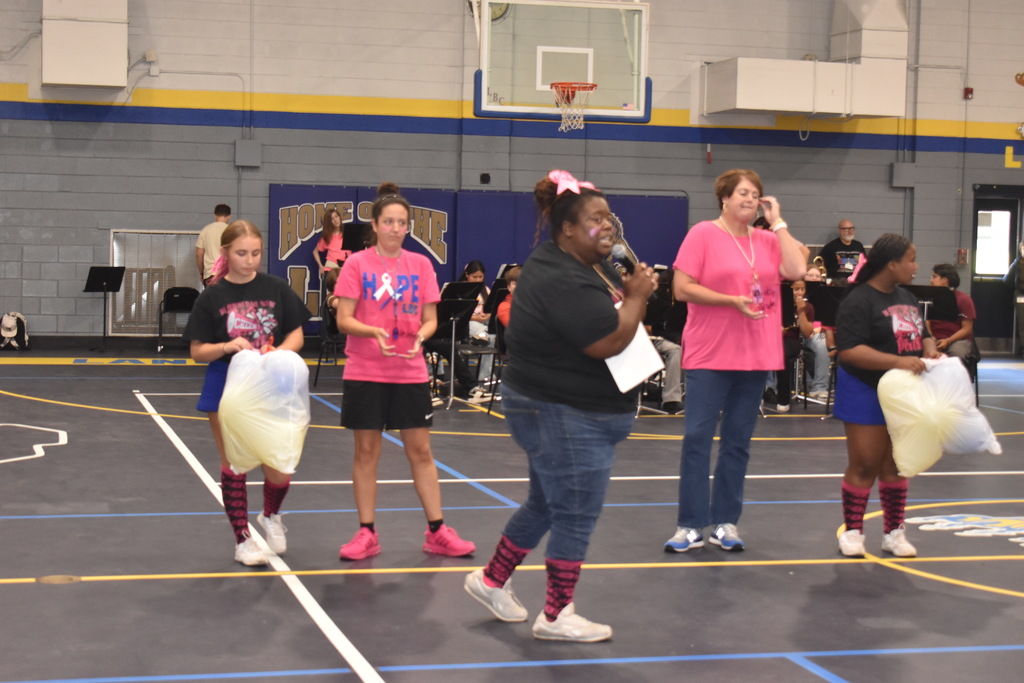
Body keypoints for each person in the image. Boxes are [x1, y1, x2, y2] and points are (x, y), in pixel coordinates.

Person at [464, 169, 658, 643]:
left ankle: (490, 580)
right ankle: (556, 614)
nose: (607, 226)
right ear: (567, 228)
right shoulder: (561, 277)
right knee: (574, 511)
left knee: (547, 502)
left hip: (558, 407)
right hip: (564, 413)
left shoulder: (586, 264)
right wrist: (636, 298)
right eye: (596, 219)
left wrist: (630, 293)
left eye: (609, 217)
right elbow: (608, 341)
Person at [665, 169, 807, 553]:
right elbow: (681, 288)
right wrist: (731, 301)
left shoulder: (768, 238)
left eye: (756, 193)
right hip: (711, 352)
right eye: (742, 192)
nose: (749, 198)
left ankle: (725, 522)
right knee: (697, 438)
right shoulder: (703, 234)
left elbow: (796, 270)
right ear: (724, 198)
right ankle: (690, 524)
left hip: (756, 353)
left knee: (737, 442)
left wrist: (778, 222)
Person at [334, 182, 475, 561]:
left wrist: (421, 339)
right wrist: (373, 332)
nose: (396, 228)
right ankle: (366, 533)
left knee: (421, 450)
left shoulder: (421, 265)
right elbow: (344, 319)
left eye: (402, 222)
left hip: (409, 371)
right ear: (376, 225)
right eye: (389, 222)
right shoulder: (356, 264)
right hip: (365, 370)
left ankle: (437, 531)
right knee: (366, 451)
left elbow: (430, 320)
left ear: (407, 227)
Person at [184, 220, 311, 566]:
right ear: (225, 253)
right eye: (242, 253)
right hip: (228, 386)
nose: (250, 260)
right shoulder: (212, 296)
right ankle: (242, 539)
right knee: (234, 463)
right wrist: (227, 346)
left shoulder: (276, 288)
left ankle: (270, 515)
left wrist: (279, 353)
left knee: (279, 464)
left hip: (272, 386)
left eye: (256, 253)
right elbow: (197, 351)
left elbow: (297, 336)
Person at [833, 233, 941, 558]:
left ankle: (894, 532)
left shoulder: (906, 296)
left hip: (903, 394)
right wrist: (898, 362)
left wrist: (931, 350)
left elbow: (922, 335)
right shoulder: (858, 300)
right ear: (892, 264)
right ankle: (852, 532)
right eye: (911, 259)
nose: (916, 266)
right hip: (865, 388)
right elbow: (849, 352)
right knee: (865, 463)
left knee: (897, 465)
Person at [927, 263, 979, 367]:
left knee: (956, 355)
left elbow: (967, 329)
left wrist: (948, 340)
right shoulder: (929, 299)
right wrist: (930, 338)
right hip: (934, 339)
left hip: (957, 340)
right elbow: (927, 321)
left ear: (944, 280)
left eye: (934, 277)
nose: (931, 280)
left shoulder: (964, 300)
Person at [195, 204, 232, 285]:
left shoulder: (206, 230)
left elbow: (199, 254)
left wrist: (202, 272)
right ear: (229, 216)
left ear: (215, 216)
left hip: (210, 274)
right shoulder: (232, 231)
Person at [313, 208, 351, 274]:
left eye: (336, 216)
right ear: (329, 222)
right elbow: (315, 252)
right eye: (332, 219)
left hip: (345, 269)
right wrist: (321, 266)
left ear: (339, 217)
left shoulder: (348, 233)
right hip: (331, 269)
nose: (335, 220)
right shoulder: (327, 236)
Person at [1003, 240, 1024, 356]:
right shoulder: (1016, 263)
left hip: (1020, 294)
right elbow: (1007, 279)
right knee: (1022, 323)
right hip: (1020, 294)